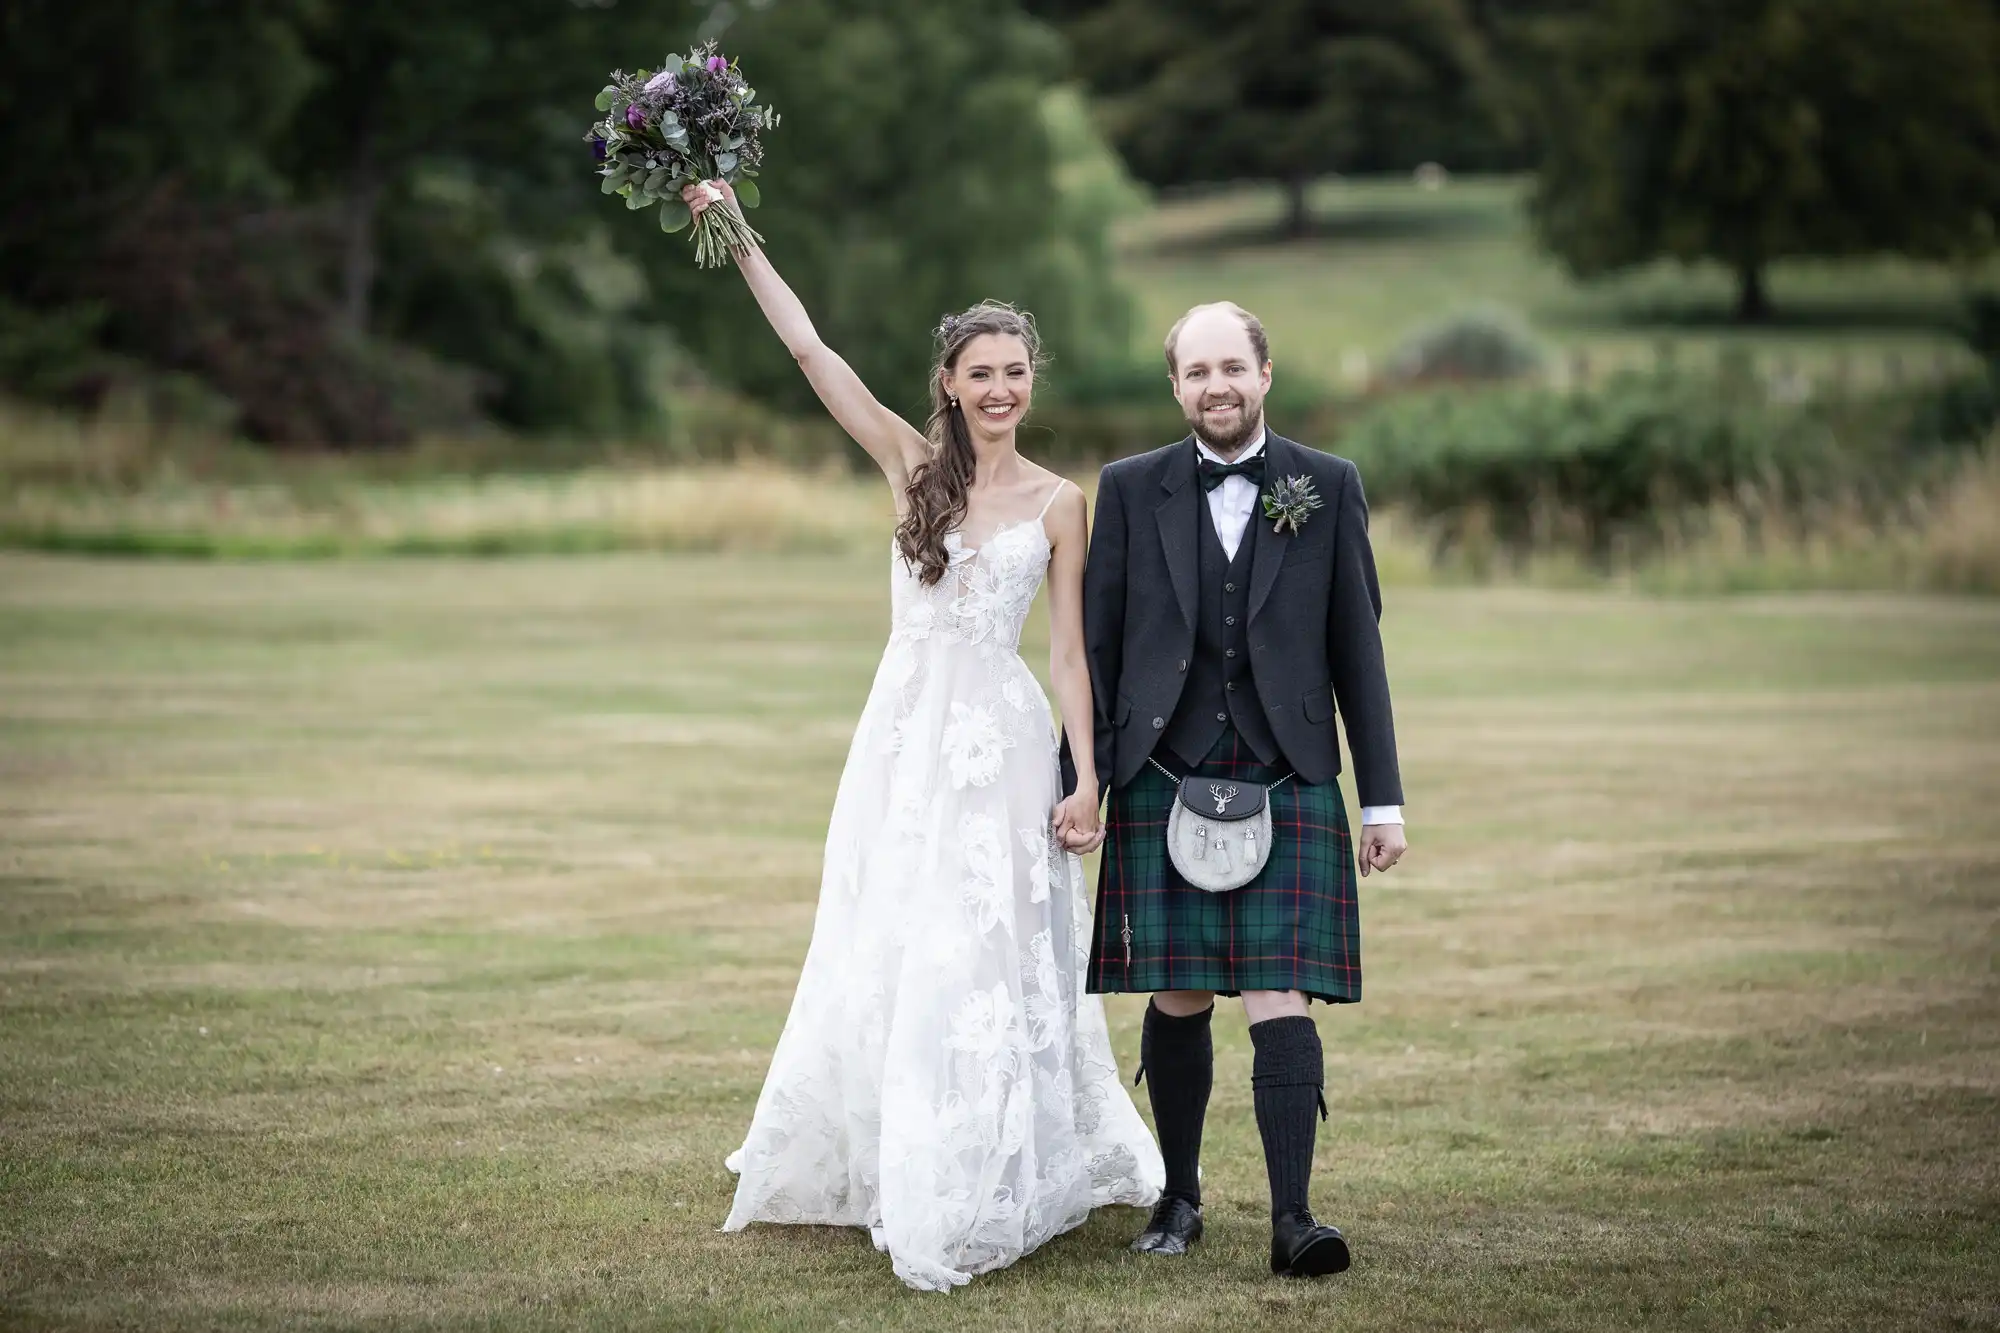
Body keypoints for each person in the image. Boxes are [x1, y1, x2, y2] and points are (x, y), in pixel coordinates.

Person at [687, 180, 1163, 1292]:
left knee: (981, 948)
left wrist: (1085, 776)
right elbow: (809, 351)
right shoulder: (908, 465)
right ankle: (895, 1148)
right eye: (980, 372)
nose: (1000, 389)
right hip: (901, 734)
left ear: (1027, 383)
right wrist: (736, 228)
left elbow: (1067, 655)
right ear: (948, 382)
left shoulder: (1059, 503)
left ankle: (985, 1162)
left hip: (997, 745)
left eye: (1014, 372)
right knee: (890, 931)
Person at [1059, 301, 1407, 1278]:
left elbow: (1357, 652)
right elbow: (1094, 644)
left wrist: (1380, 800)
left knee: (1275, 987)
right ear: (1173, 386)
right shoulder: (1129, 489)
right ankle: (1178, 1194)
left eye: (1231, 367)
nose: (1215, 385)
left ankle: (1293, 1216)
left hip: (1283, 769)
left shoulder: (1324, 485)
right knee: (1174, 993)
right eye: (1195, 370)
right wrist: (1077, 777)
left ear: (1264, 374)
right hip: (1157, 768)